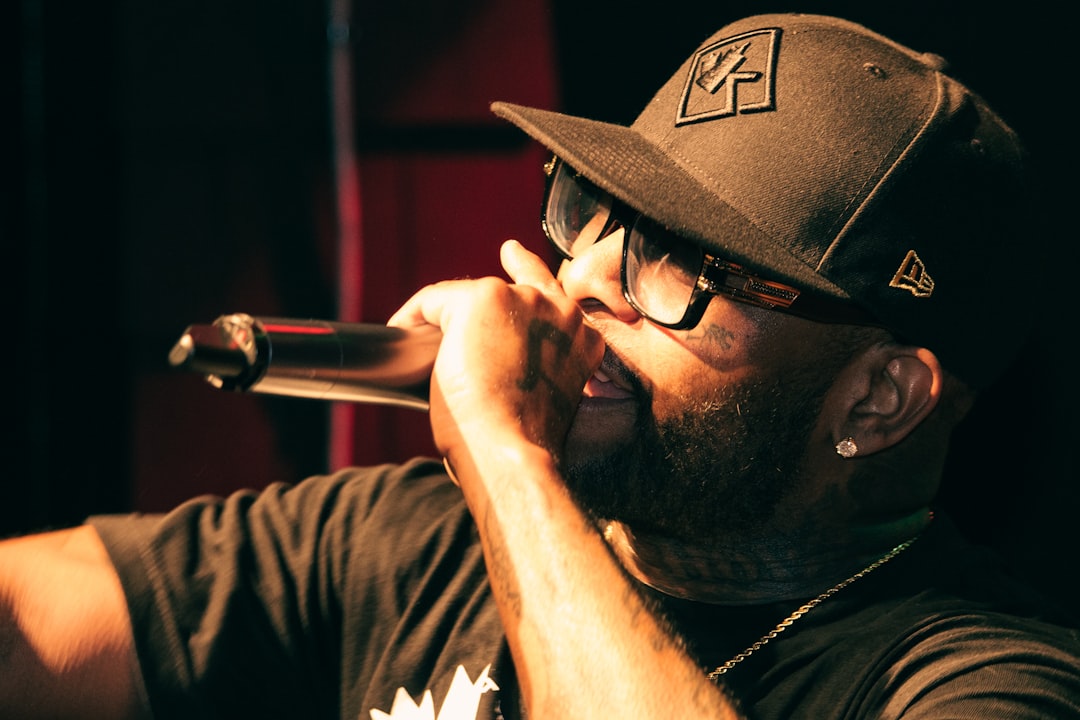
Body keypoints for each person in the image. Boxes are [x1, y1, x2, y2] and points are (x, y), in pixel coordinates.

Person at [2, 12, 1078, 720]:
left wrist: (511, 462)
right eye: (600, 219)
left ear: (879, 399)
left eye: (682, 265)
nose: (588, 278)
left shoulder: (982, 687)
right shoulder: (407, 544)